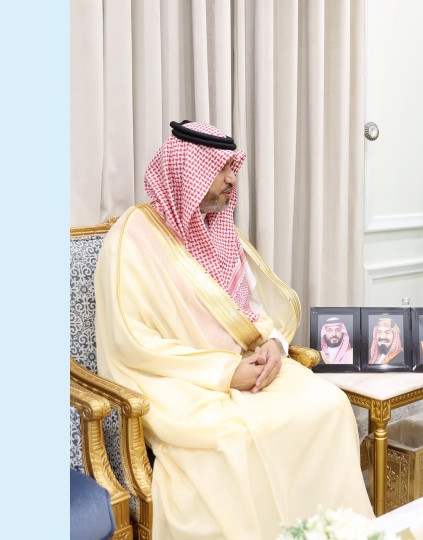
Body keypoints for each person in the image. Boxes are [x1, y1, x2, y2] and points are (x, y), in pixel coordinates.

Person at [95, 121, 371, 539]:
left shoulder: (221, 230)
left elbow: (252, 312)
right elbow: (132, 341)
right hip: (177, 382)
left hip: (249, 368)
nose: (232, 179)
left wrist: (275, 346)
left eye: (232, 168)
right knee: (230, 442)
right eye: (221, 168)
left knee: (329, 404)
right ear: (188, 172)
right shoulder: (132, 238)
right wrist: (225, 374)